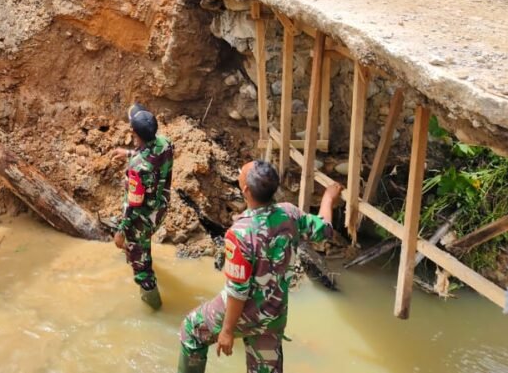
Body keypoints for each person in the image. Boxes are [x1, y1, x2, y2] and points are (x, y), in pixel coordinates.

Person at [177, 161, 343, 373]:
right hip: (273, 314)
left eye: (242, 173)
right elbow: (325, 229)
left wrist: (227, 331)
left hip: (243, 314)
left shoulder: (239, 234)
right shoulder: (289, 214)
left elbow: (238, 291)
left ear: (245, 189)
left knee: (191, 330)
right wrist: (328, 198)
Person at [110, 104, 174, 309]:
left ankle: (155, 307)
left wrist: (121, 231)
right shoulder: (166, 144)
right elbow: (151, 157)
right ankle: (140, 253)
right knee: (143, 246)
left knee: (142, 268)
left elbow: (133, 204)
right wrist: (129, 153)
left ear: (134, 132)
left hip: (141, 219)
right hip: (160, 209)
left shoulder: (137, 167)